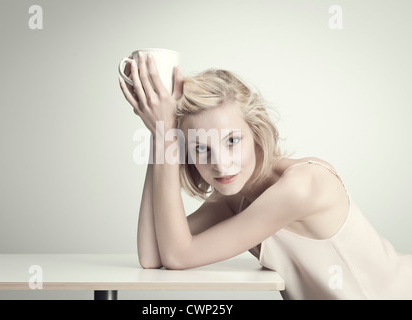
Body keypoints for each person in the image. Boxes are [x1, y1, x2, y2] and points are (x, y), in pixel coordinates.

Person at [118, 52, 412, 299]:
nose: (221, 164)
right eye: (200, 149)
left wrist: (164, 132)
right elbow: (153, 255)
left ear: (256, 133)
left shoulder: (302, 186)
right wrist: (159, 135)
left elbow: (178, 256)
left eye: (232, 141)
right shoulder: (237, 200)